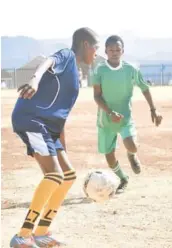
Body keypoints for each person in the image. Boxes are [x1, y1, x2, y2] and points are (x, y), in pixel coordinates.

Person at [10, 27, 99, 248]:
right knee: (54, 175)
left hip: (49, 128)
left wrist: (62, 149)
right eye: (96, 48)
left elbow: (61, 116)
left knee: (67, 175)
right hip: (32, 118)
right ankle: (22, 235)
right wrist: (34, 80)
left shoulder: (76, 78)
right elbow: (47, 61)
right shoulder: (67, 56)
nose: (96, 53)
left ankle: (41, 233)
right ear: (86, 44)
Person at [92, 35, 162, 194]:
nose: (115, 52)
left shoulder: (131, 69)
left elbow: (144, 88)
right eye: (111, 50)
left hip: (125, 118)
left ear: (122, 51)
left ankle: (131, 156)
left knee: (132, 145)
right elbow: (97, 96)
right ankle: (123, 178)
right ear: (106, 51)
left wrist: (153, 109)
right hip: (106, 120)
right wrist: (109, 112)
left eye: (118, 50)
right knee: (109, 158)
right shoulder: (100, 70)